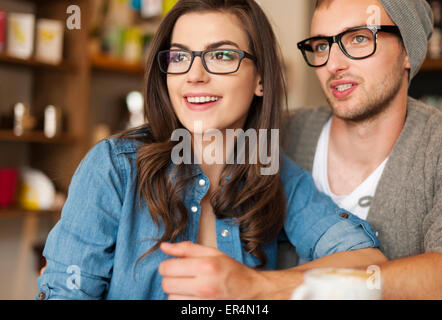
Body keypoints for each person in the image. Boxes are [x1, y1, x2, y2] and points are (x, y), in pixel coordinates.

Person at [35, 0, 385, 300]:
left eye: (221, 55)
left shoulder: (272, 173)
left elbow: (366, 262)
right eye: (179, 57)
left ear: (261, 78)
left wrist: (254, 285)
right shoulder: (113, 167)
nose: (194, 75)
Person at [280, 0, 442, 299]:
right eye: (321, 46)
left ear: (407, 51)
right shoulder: (282, 134)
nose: (333, 64)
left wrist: (263, 286)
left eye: (358, 39)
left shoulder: (441, 145)